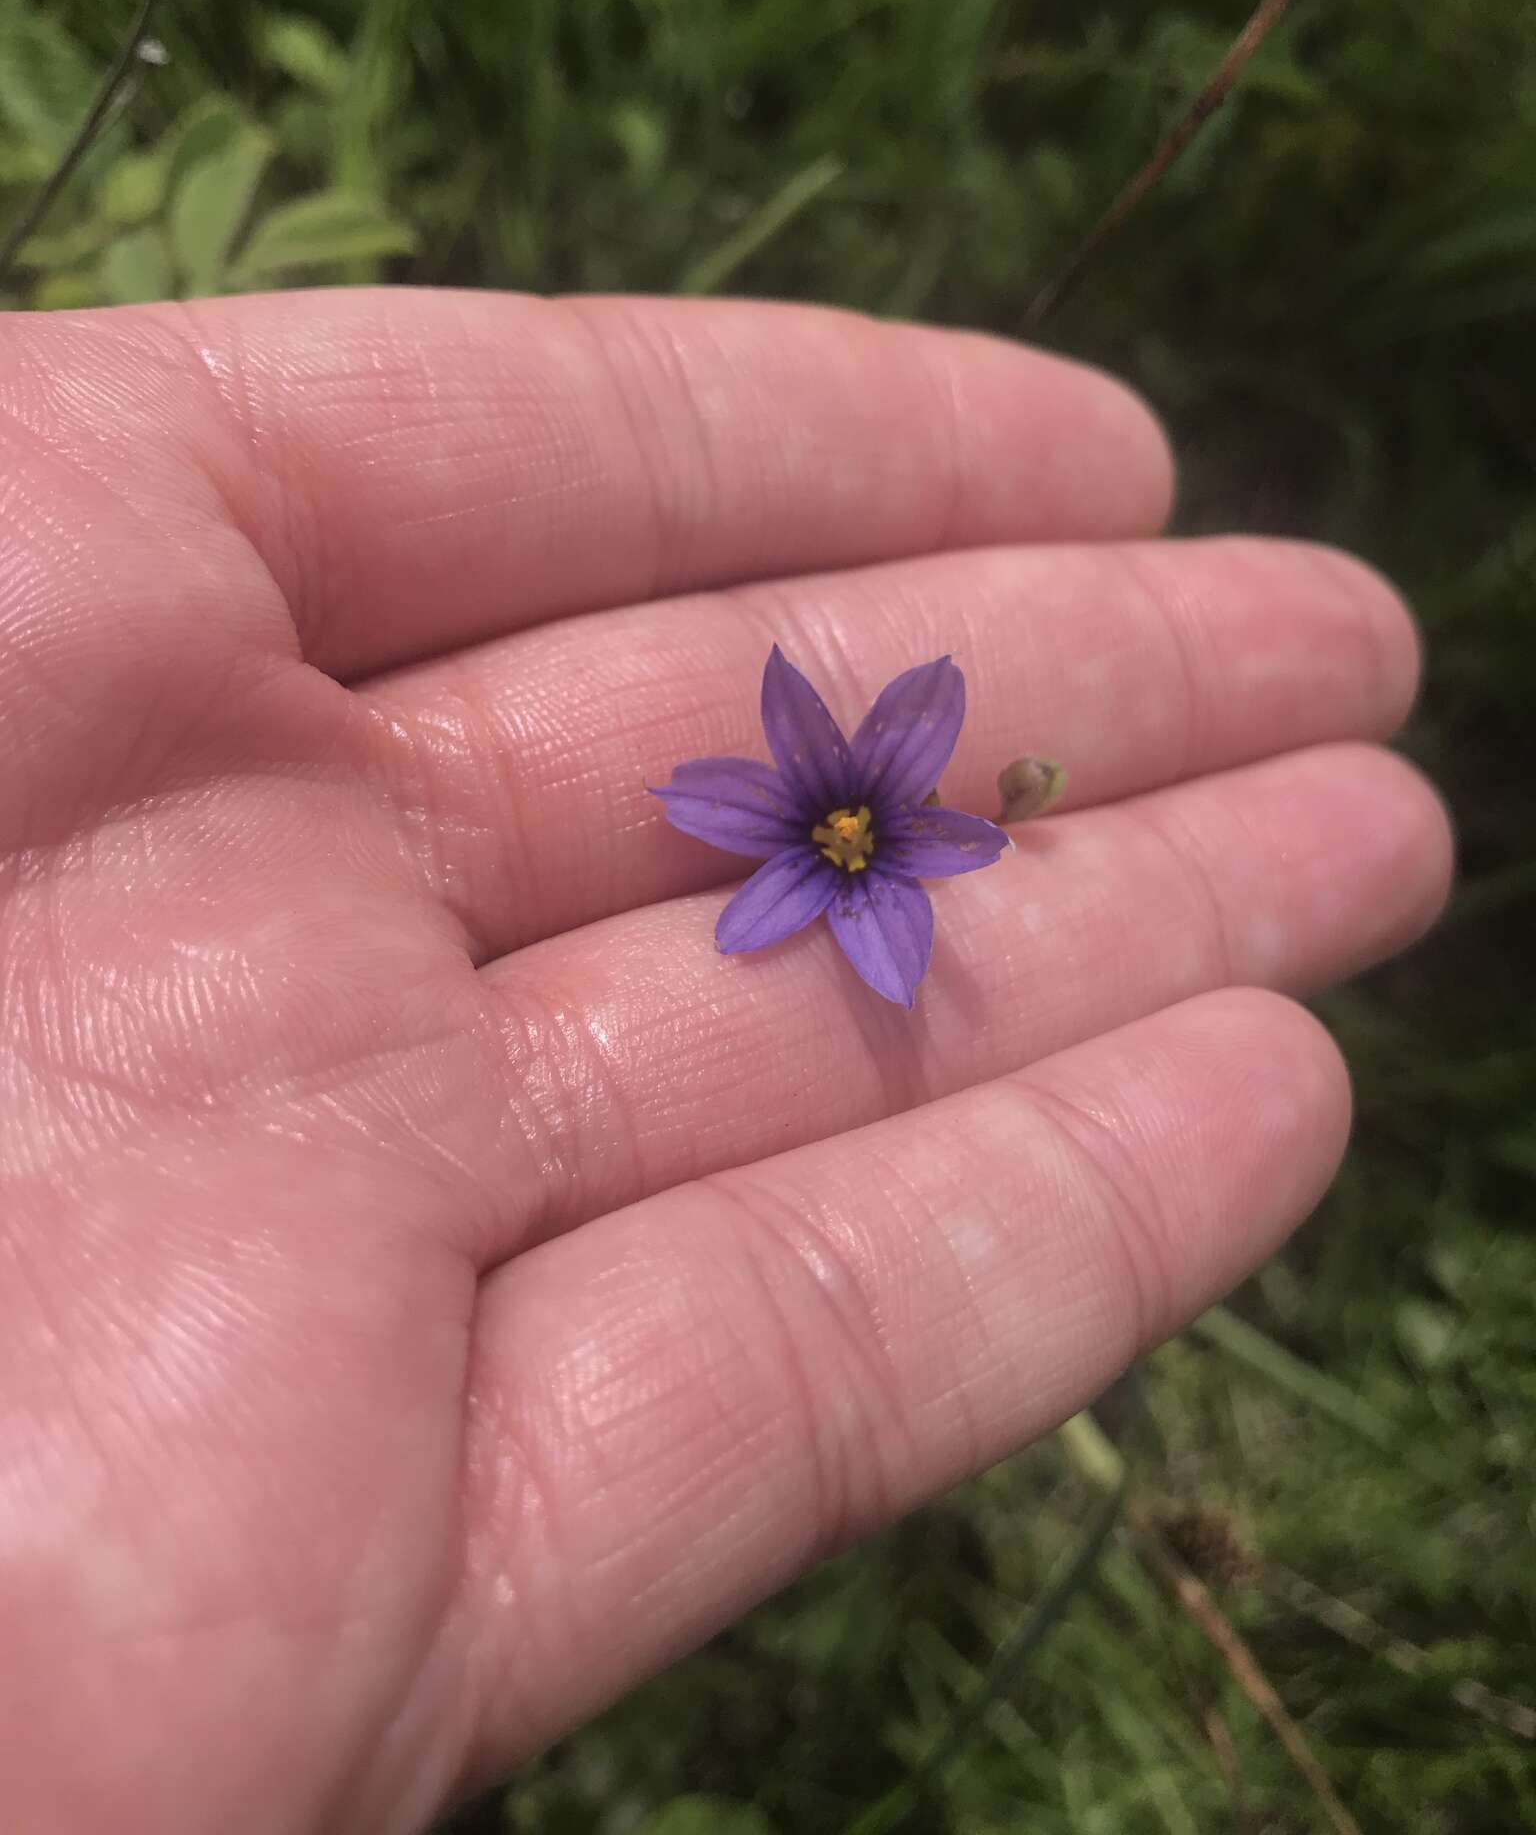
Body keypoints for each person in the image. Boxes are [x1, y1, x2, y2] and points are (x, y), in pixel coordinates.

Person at [0, 289, 1451, 1831]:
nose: (846, 829)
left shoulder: (898, 848)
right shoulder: (826, 844)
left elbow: (901, 838)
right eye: (836, 825)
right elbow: (804, 841)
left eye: (861, 826)